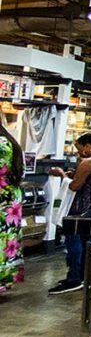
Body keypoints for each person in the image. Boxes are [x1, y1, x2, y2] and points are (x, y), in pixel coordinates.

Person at [48, 133, 91, 295]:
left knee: (73, 243)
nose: (78, 152)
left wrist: (61, 174)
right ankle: (82, 276)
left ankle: (74, 278)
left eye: (79, 149)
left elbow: (74, 186)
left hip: (78, 208)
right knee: (85, 243)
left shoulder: (88, 162)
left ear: (88, 147)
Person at [0, 119, 24, 293]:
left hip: (3, 198)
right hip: (10, 198)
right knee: (7, 239)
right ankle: (5, 279)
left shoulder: (1, 144)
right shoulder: (8, 140)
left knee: (3, 240)